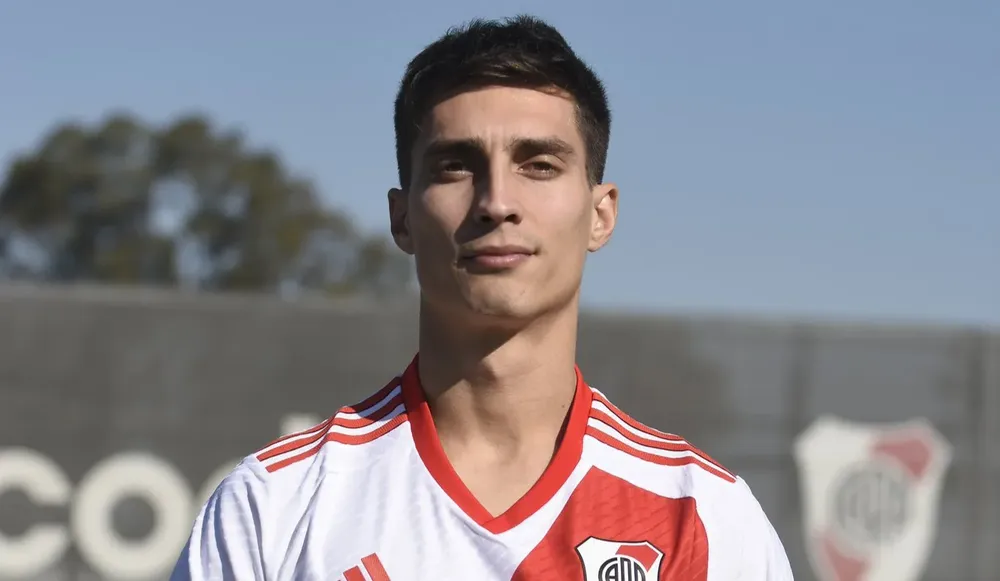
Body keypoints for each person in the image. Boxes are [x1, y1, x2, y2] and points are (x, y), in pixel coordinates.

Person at [170, 15, 793, 581]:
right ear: (402, 217)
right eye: (455, 166)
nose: (497, 202)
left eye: (539, 164)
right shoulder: (274, 506)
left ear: (601, 214)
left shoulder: (704, 520)